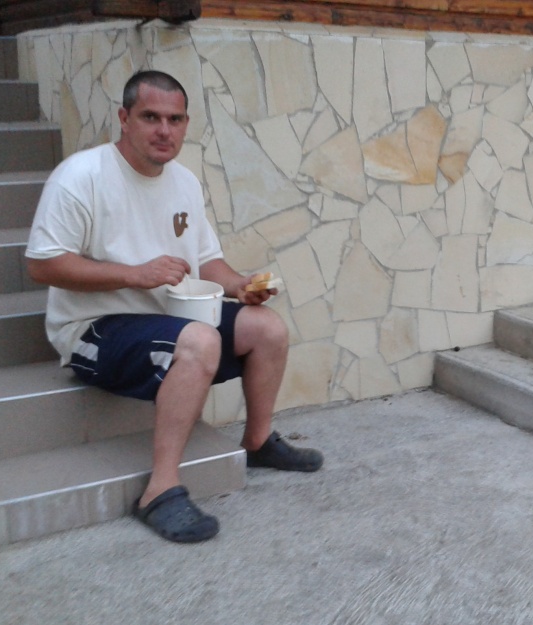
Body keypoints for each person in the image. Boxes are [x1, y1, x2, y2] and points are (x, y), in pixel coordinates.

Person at [25, 70, 323, 543]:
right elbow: (42, 265)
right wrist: (133, 274)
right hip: (92, 329)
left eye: (175, 119)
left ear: (185, 124)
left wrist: (239, 286)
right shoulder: (81, 176)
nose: (164, 130)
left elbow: (206, 262)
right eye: (150, 117)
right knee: (199, 340)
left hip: (167, 318)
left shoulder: (183, 182)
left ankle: (258, 441)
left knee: (266, 327)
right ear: (124, 119)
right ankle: (159, 490)